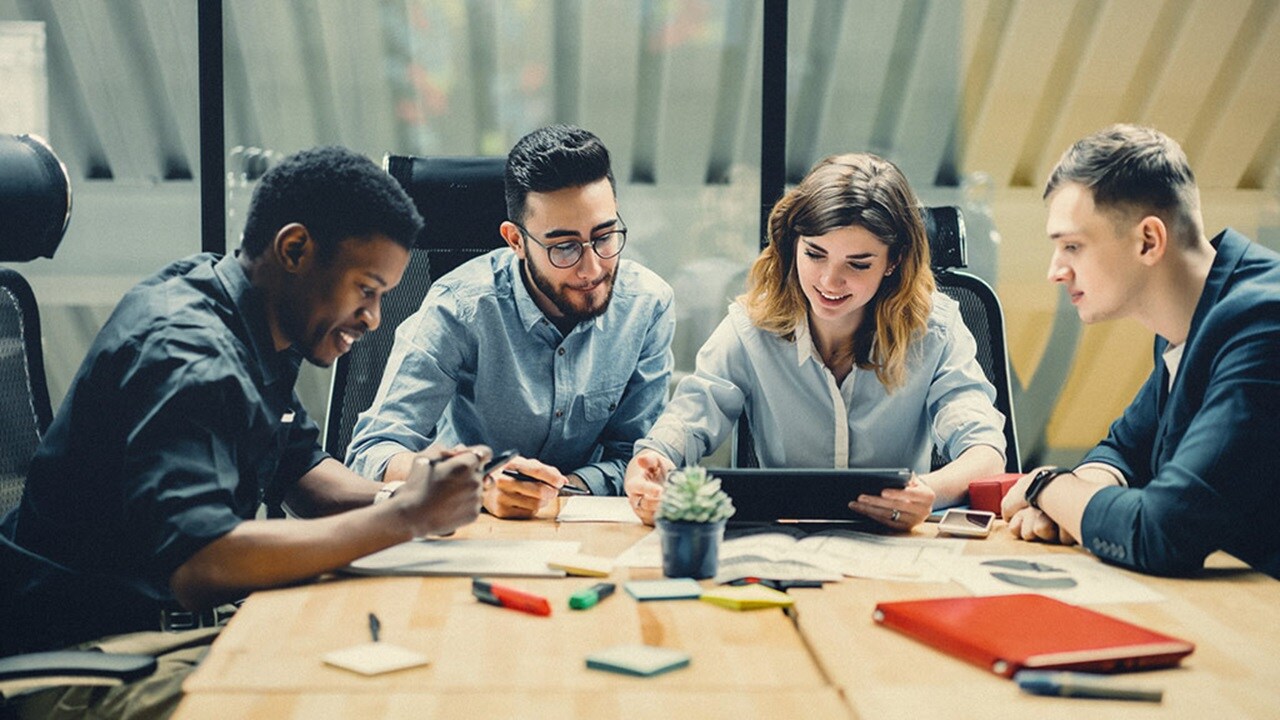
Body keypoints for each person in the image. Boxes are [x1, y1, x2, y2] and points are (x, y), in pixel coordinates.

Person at [0, 146, 487, 718]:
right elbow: (204, 562)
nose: (374, 318)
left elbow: (302, 473)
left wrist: (416, 495)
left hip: (170, 632)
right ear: (295, 249)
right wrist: (405, 519)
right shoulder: (189, 353)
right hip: (87, 655)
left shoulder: (250, 317)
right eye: (366, 289)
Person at [624, 153, 1007, 527]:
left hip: (894, 544)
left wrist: (927, 492)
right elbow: (690, 418)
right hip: (782, 540)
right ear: (794, 244)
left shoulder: (934, 329)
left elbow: (986, 452)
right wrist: (656, 457)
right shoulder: (750, 326)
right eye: (815, 254)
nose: (828, 281)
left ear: (893, 261)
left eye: (857, 264)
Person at [345, 125, 675, 520]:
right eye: (564, 247)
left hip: (584, 525)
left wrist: (566, 488)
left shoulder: (648, 305)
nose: (592, 269)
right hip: (472, 527)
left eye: (604, 236)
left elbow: (634, 454)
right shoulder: (460, 308)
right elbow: (372, 450)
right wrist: (476, 483)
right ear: (515, 240)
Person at [1001, 124, 1280, 578]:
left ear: (1148, 240)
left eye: (1072, 246)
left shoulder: (1264, 323)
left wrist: (1046, 485)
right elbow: (1123, 451)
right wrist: (1070, 502)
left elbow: (1164, 530)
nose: (1056, 271)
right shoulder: (1196, 320)